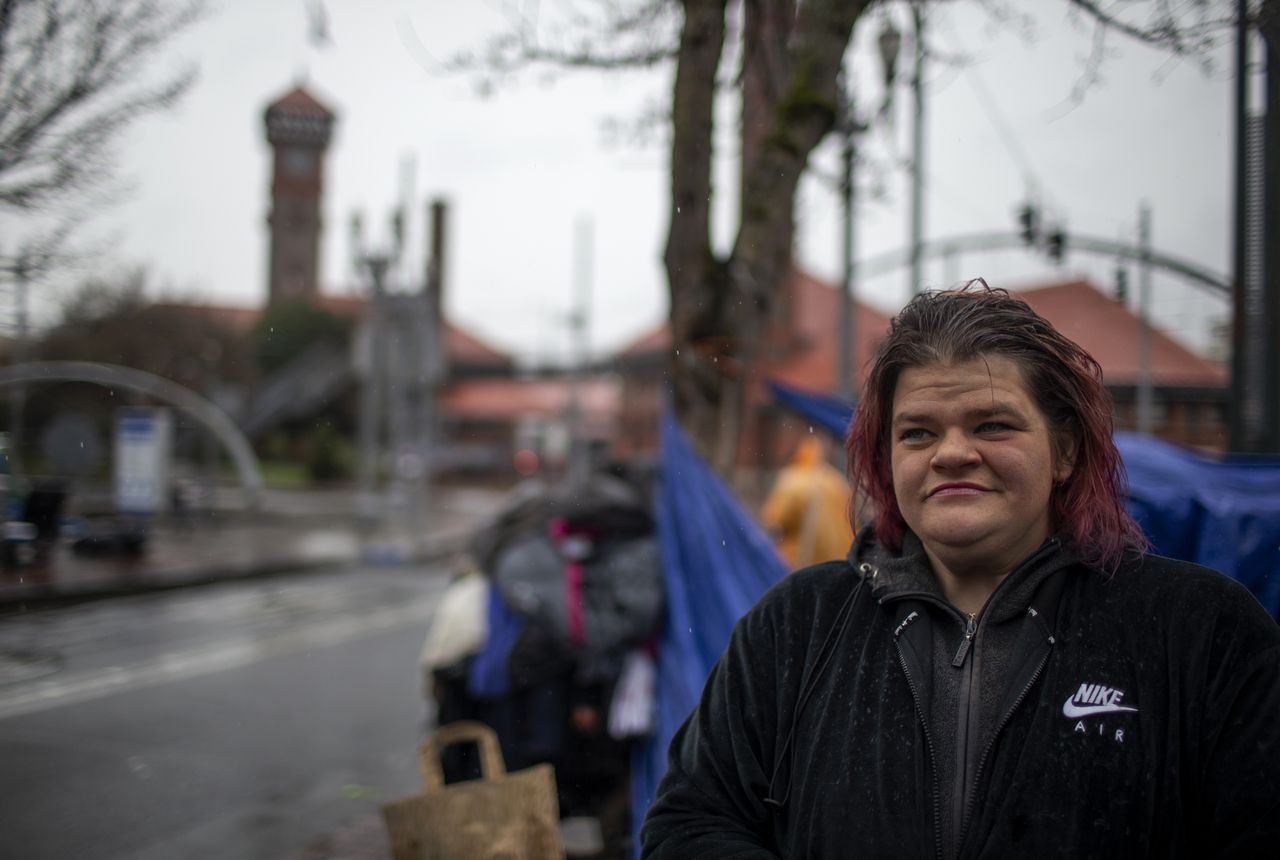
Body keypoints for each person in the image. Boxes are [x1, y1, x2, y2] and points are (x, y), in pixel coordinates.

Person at [641, 281, 1280, 858]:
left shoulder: (1199, 631)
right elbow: (691, 824)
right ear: (886, 459)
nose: (951, 453)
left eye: (993, 424)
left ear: (1064, 451)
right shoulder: (796, 628)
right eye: (917, 433)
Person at [759, 435, 855, 569]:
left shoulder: (792, 479)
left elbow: (774, 521)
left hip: (799, 563)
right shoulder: (836, 481)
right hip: (837, 563)